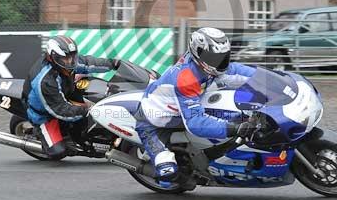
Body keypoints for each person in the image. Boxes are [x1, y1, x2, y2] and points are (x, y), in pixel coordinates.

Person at [136, 27, 257, 184]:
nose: (220, 62)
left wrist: (271, 77)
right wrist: (233, 128)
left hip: (179, 112)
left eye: (223, 56)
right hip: (153, 123)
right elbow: (195, 123)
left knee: (235, 113)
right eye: (214, 57)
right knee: (169, 174)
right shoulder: (186, 78)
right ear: (198, 53)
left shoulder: (206, 66)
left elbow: (238, 71)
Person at [23, 35, 119, 159]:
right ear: (53, 57)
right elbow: (59, 110)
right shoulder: (46, 80)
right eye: (66, 58)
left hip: (64, 94)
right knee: (58, 152)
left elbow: (90, 63)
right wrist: (87, 110)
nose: (70, 61)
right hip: (45, 114)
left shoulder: (66, 63)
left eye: (72, 57)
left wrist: (114, 64)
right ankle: (36, 132)